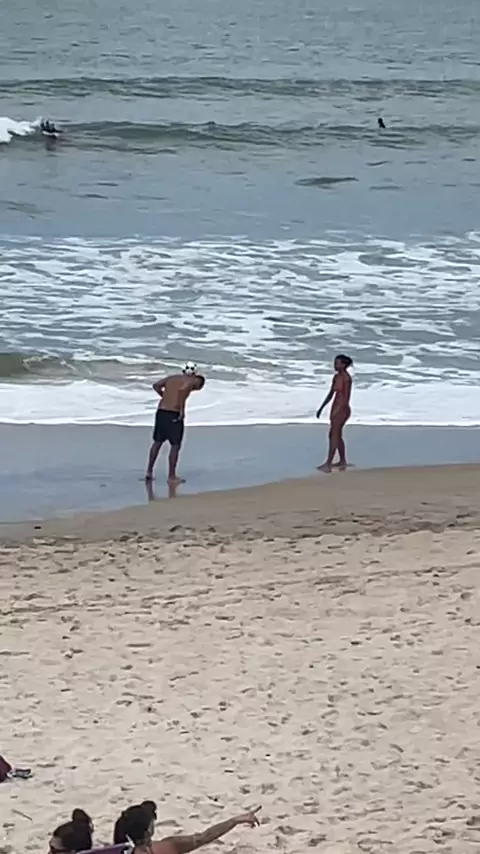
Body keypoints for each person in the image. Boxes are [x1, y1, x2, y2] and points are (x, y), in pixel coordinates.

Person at [113, 802, 260, 854]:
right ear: (148, 831)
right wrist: (234, 821)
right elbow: (204, 837)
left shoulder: (118, 852)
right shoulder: (166, 847)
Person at [145, 364, 205, 484]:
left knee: (157, 442)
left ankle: (149, 472)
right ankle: (171, 476)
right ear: (194, 374)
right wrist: (182, 411)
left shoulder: (172, 378)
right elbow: (182, 392)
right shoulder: (191, 381)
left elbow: (156, 385)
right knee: (175, 445)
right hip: (173, 413)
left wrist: (164, 396)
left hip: (161, 412)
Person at [316, 354, 353, 472]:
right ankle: (342, 460)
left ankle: (328, 463)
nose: (335, 365)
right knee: (336, 435)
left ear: (344, 365)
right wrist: (322, 407)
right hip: (335, 407)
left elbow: (346, 398)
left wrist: (339, 411)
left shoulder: (346, 378)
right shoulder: (336, 377)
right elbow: (331, 394)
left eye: (337, 363)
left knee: (334, 435)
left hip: (342, 409)